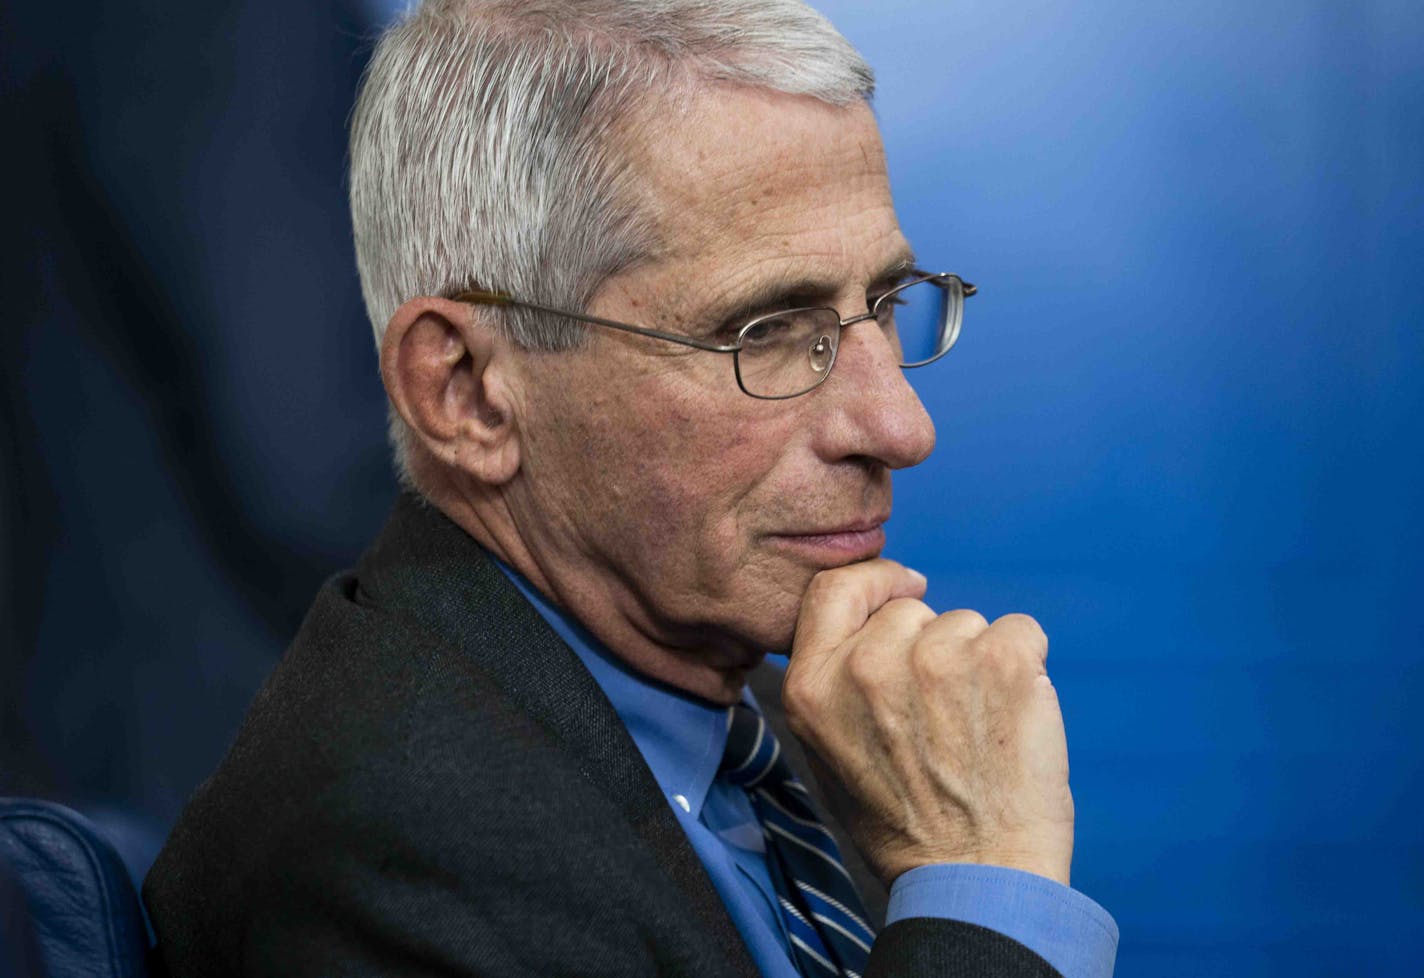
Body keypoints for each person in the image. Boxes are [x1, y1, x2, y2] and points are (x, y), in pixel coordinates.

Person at [143, 1, 1118, 976]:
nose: (902, 429)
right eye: (765, 332)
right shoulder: (386, 844)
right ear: (468, 393)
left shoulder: (816, 735)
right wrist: (980, 894)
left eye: (884, 306)